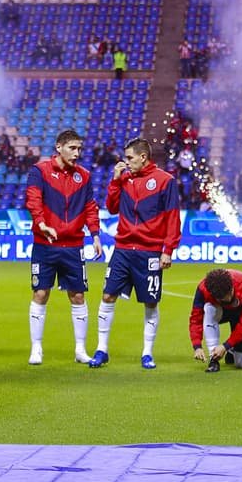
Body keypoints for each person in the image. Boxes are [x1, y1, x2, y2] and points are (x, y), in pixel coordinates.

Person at [89, 137, 181, 369]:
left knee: (150, 303)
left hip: (149, 252)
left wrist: (168, 250)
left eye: (130, 158)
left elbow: (173, 217)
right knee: (107, 296)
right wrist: (115, 180)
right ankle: (101, 350)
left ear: (143, 157)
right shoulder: (124, 178)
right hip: (122, 249)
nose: (126, 162)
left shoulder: (165, 181)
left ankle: (147, 353)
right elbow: (112, 208)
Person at [25, 129, 103, 365]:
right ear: (59, 147)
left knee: (78, 295)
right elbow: (33, 200)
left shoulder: (84, 176)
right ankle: (36, 348)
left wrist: (95, 235)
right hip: (45, 244)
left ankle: (80, 350)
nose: (77, 153)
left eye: (79, 149)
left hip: (73, 245)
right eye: (72, 148)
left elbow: (90, 207)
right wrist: (41, 224)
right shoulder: (40, 171)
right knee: (41, 293)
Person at [189, 268, 242, 372]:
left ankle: (232, 349)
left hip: (241, 316)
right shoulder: (203, 289)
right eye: (223, 299)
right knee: (209, 308)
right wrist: (197, 346)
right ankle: (213, 359)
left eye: (230, 294)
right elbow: (195, 319)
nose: (229, 299)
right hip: (220, 312)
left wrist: (226, 346)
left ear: (232, 287)